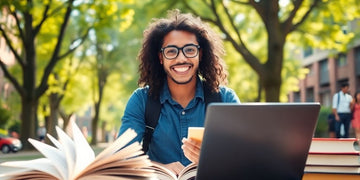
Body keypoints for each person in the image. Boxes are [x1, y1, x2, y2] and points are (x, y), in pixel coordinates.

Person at [117, 9, 240, 175]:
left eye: (189, 50)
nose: (181, 58)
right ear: (161, 58)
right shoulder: (141, 101)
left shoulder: (225, 99)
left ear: (200, 54)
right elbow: (121, 159)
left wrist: (212, 159)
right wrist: (159, 167)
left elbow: (242, 157)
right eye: (171, 51)